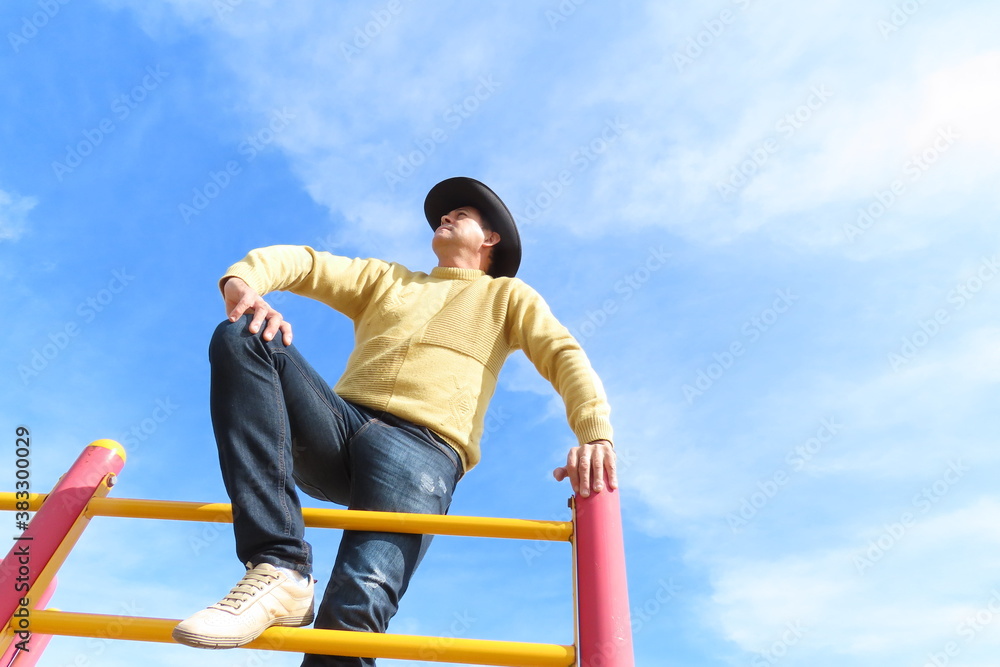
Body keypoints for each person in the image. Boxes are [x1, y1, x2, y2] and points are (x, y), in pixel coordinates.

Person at [172, 177, 616, 665]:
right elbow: (308, 263)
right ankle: (281, 566)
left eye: (460, 215)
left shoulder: (508, 297)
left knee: (351, 617)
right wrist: (243, 283)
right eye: (443, 215)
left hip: (421, 451)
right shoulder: (389, 280)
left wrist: (594, 434)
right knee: (244, 334)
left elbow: (563, 355)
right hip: (339, 428)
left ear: (490, 240)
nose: (445, 218)